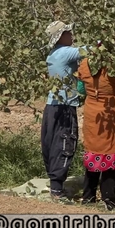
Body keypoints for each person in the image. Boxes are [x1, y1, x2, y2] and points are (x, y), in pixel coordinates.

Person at [76, 42, 115, 211]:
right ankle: (109, 198)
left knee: (93, 153)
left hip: (93, 114)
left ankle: (88, 196)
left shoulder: (85, 63)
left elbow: (81, 88)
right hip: (112, 114)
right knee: (111, 152)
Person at [41, 21, 85, 201]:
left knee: (51, 143)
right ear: (60, 36)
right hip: (64, 105)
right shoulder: (65, 52)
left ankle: (55, 187)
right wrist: (109, 40)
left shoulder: (53, 54)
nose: (71, 35)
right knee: (65, 142)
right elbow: (89, 50)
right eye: (68, 32)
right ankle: (57, 191)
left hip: (52, 105)